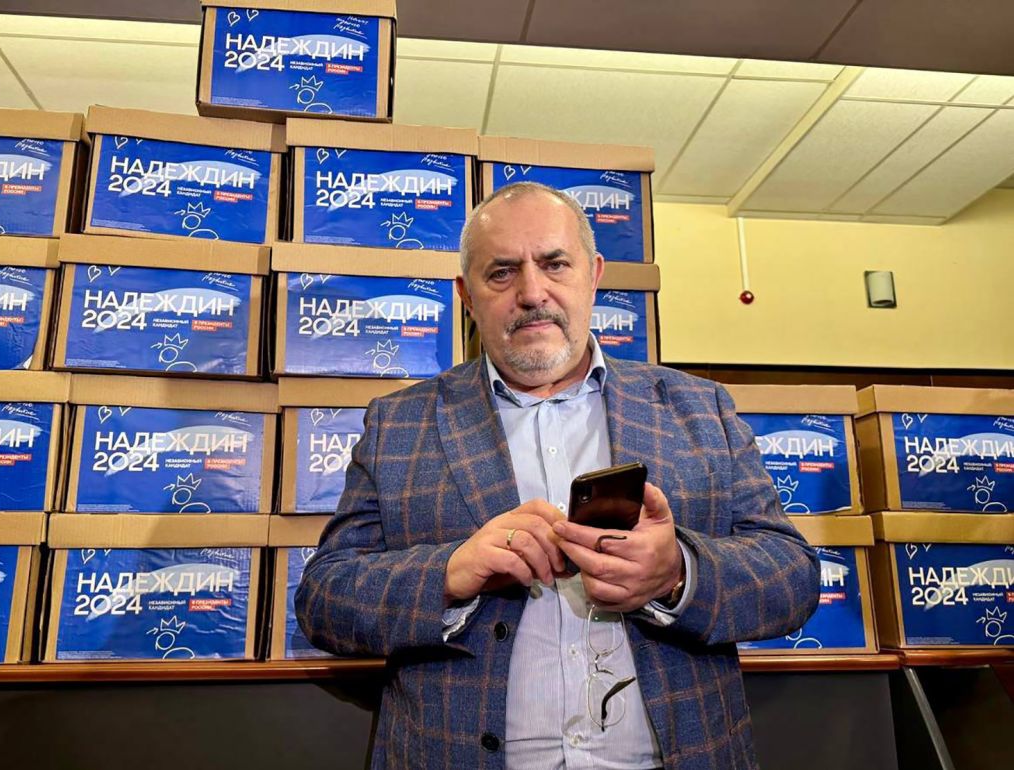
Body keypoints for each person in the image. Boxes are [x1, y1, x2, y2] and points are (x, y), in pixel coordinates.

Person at [296, 181, 820, 770]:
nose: (531, 292)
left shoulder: (701, 409)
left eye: (554, 264)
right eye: (501, 273)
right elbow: (323, 600)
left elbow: (793, 578)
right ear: (466, 296)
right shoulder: (400, 423)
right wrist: (448, 573)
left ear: (593, 275)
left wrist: (678, 572)